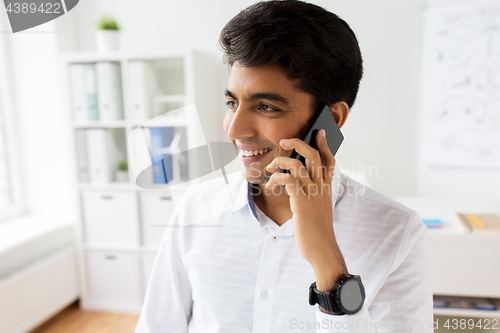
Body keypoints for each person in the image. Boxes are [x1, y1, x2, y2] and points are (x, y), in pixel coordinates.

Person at [135, 0, 433, 332]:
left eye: (265, 106)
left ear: (331, 121)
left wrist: (326, 259)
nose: (234, 130)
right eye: (232, 102)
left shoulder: (398, 233)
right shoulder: (195, 208)